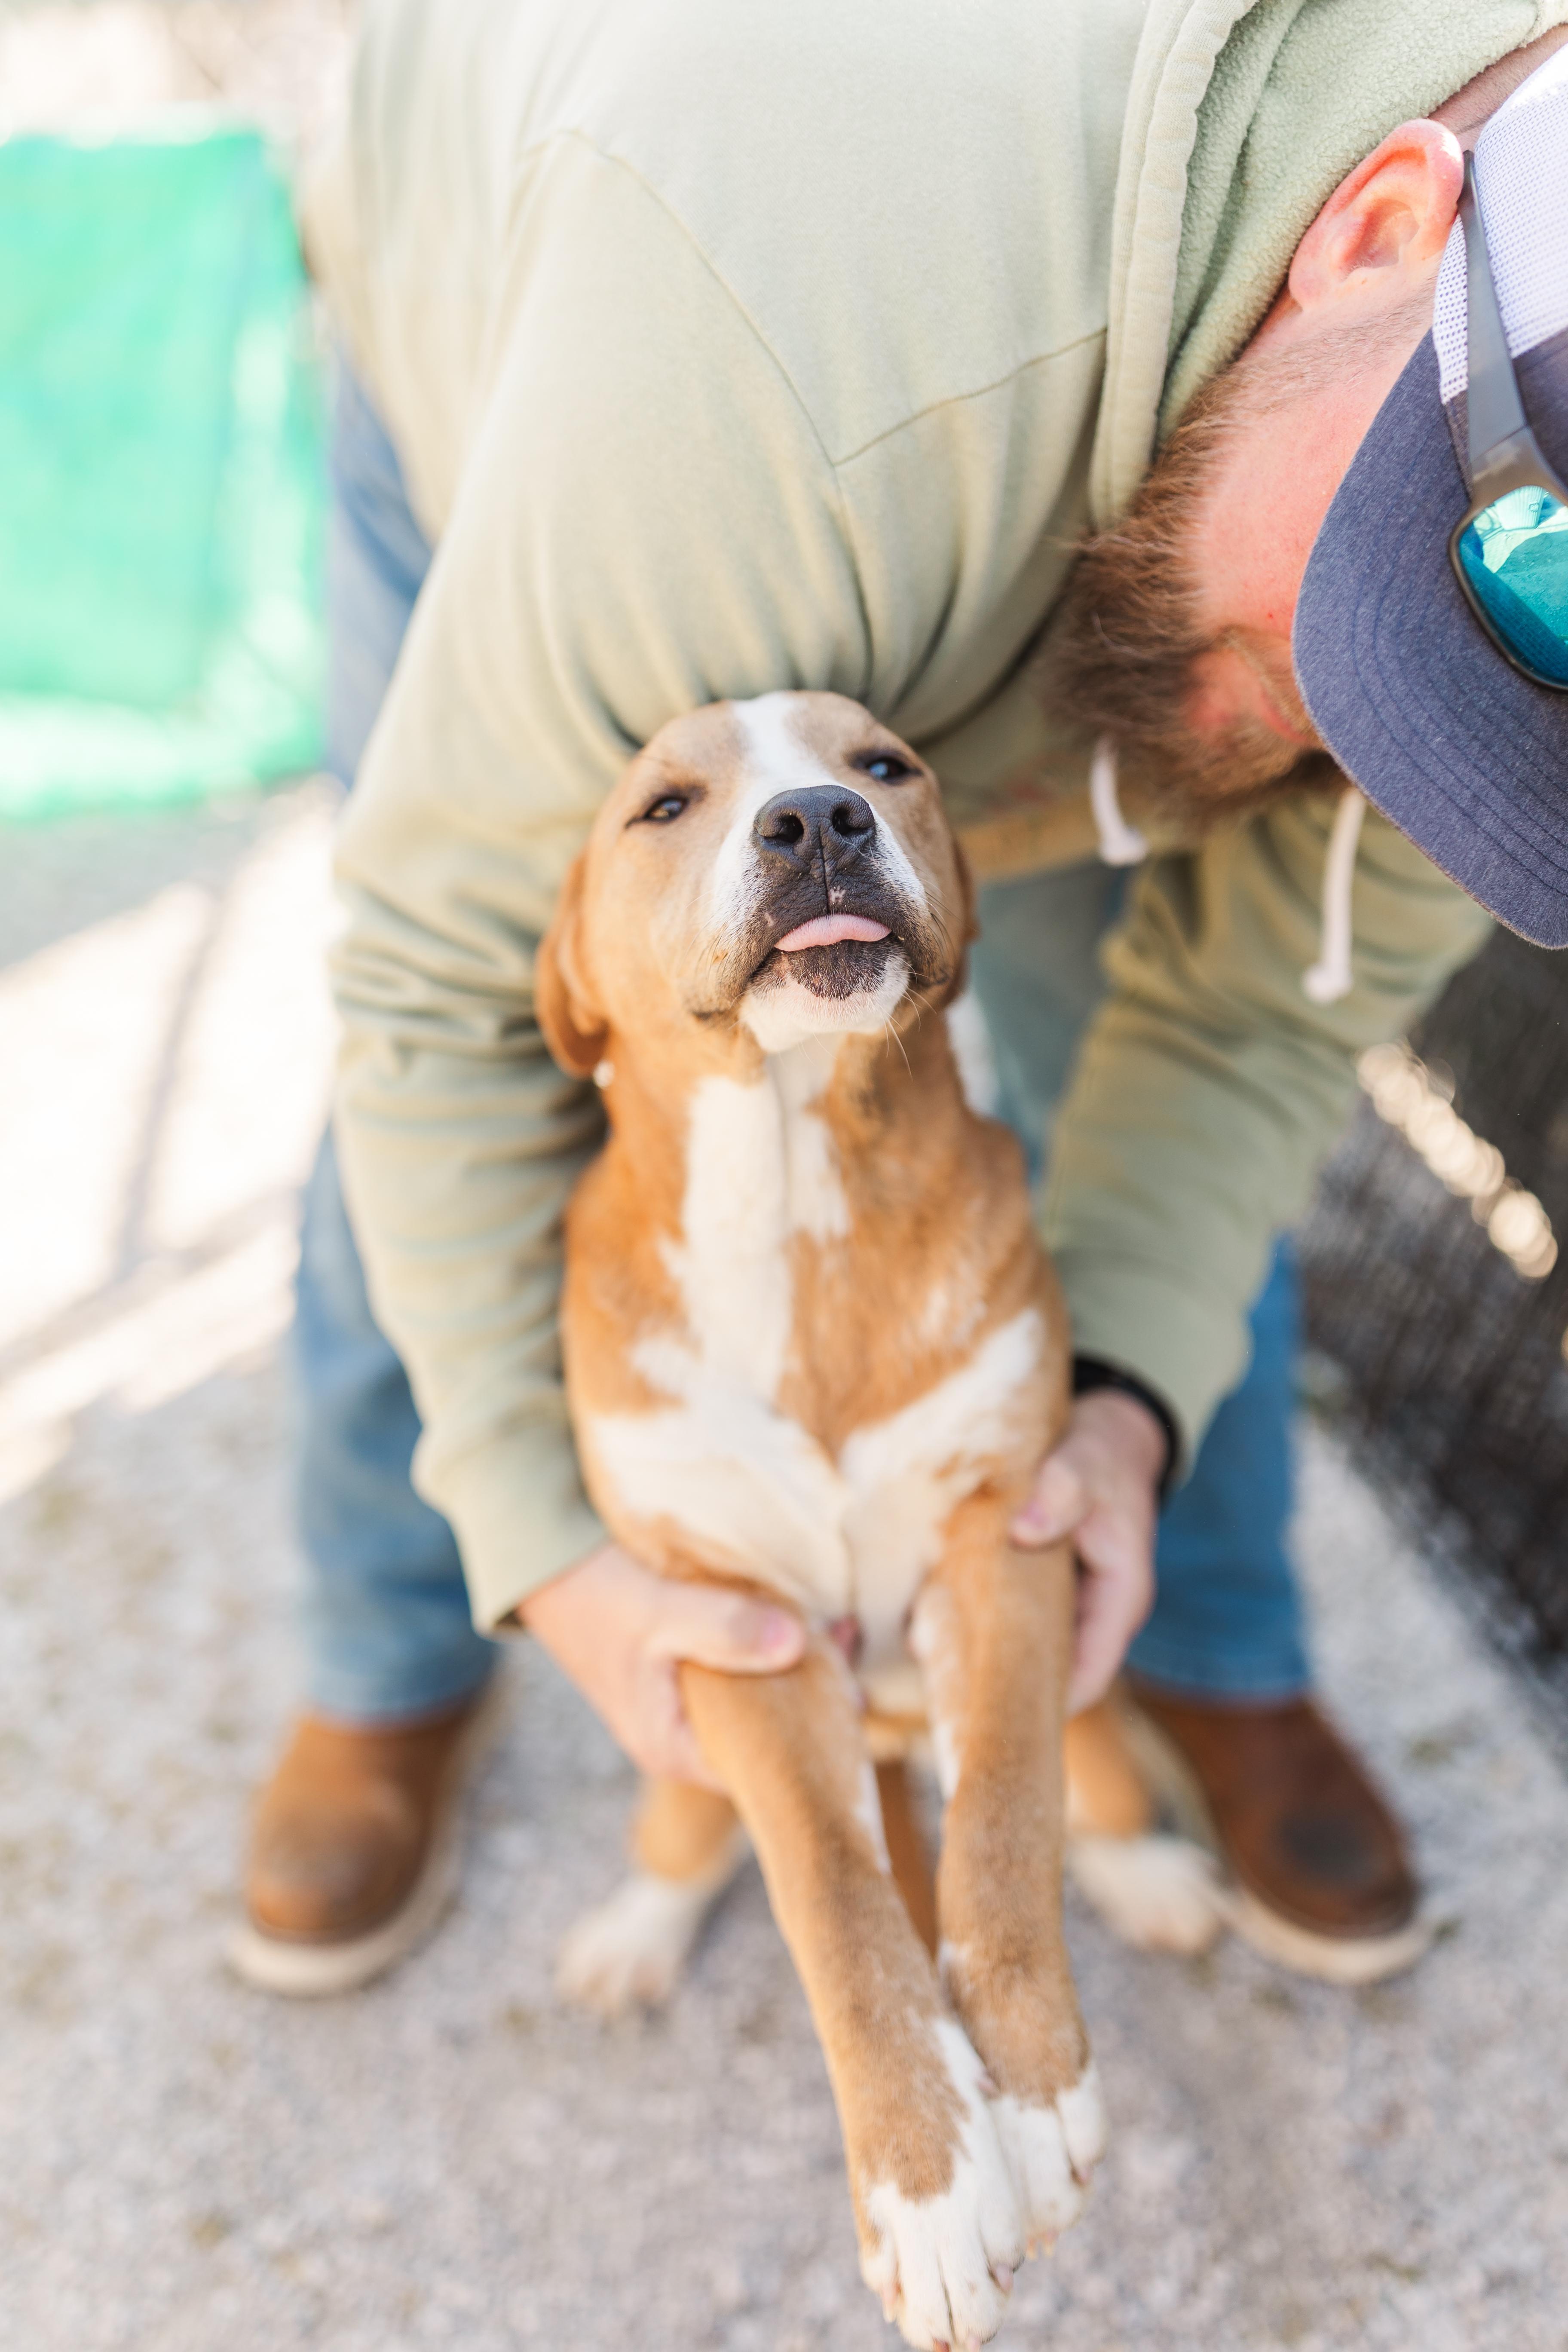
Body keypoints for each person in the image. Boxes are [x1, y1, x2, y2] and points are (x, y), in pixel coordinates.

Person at [231, 0, 1568, 1997]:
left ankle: (1187, 1636)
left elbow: (1249, 1019)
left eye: (1468, 730)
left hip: (1057, 463)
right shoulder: (745, 378)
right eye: (1380, 636)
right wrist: (558, 1549)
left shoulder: (1456, 492)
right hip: (554, 318)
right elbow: (438, 995)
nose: (1372, 756)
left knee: (1146, 982)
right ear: (1375, 230)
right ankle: (397, 1640)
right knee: (523, 1040)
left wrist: (1107, 1420)